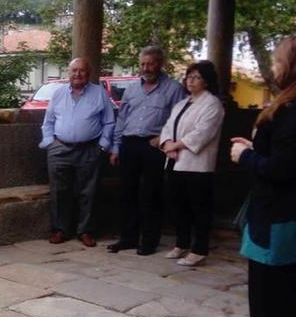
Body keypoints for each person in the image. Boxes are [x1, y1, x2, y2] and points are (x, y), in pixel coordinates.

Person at [232, 37, 296, 317]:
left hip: (278, 225)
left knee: (277, 306)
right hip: (284, 221)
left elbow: (283, 170)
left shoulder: (290, 112)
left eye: (277, 58)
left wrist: (247, 156)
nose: (272, 64)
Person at [107, 46, 187, 256]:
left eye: (150, 63)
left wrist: (163, 138)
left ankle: (149, 241)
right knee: (127, 193)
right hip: (129, 144)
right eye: (143, 64)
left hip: (154, 147)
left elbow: (179, 120)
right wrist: (116, 147)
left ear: (160, 64)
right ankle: (128, 238)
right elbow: (122, 119)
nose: (146, 68)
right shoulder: (132, 89)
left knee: (151, 194)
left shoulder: (173, 88)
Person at [39, 58, 115, 247]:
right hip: (60, 149)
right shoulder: (58, 93)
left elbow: (109, 122)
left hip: (89, 149)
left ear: (88, 74)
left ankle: (85, 231)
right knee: (59, 191)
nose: (77, 74)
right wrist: (50, 143)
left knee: (88, 192)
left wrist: (103, 146)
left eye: (82, 71)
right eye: (74, 70)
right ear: (68, 72)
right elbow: (48, 121)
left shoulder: (99, 93)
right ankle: (60, 230)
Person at [159, 61, 224, 266]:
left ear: (206, 81)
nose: (191, 81)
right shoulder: (182, 103)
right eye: (188, 77)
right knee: (178, 205)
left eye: (196, 77)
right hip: (175, 162)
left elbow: (202, 133)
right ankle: (182, 243)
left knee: (199, 207)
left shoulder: (212, 104)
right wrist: (167, 143)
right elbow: (168, 127)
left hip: (197, 165)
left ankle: (199, 248)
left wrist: (175, 146)